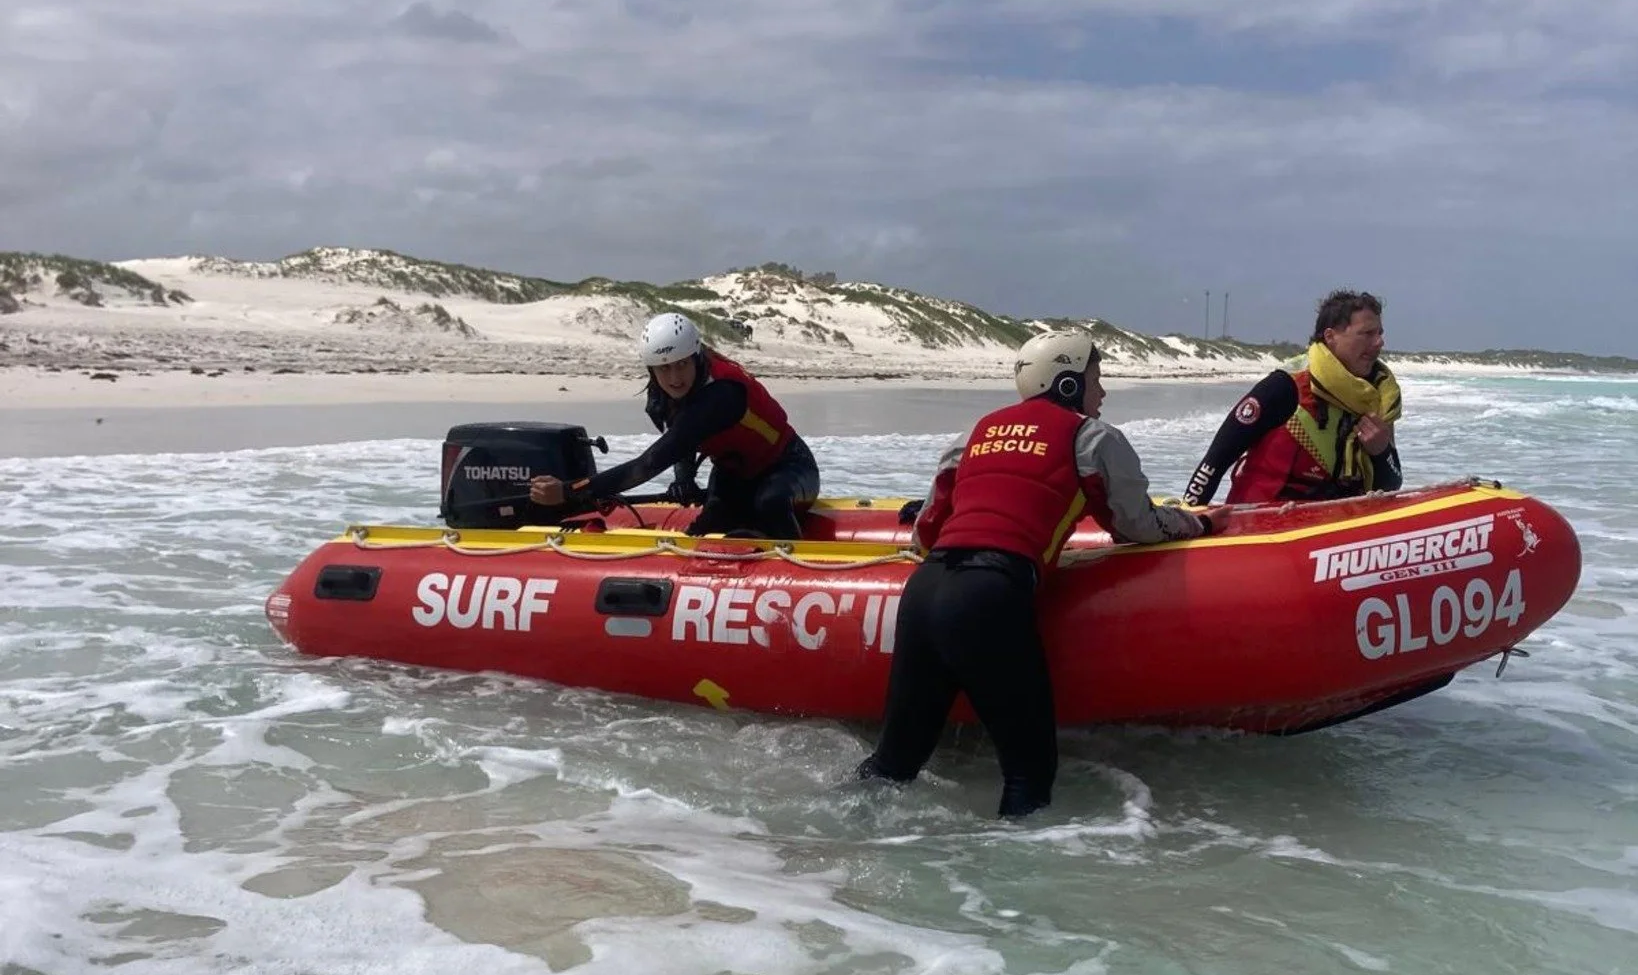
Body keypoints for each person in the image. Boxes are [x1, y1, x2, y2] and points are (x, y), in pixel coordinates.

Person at [858, 329, 1208, 819]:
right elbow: (1137, 526)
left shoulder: (974, 433)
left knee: (894, 764)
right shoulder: (1094, 438)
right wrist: (1191, 521)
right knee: (1029, 774)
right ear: (1067, 385)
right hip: (989, 596)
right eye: (1095, 379)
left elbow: (926, 534)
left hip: (923, 594)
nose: (1102, 392)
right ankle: (1008, 893)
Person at [528, 313, 820, 539]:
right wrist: (684, 479)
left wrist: (570, 491)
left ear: (696, 358)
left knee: (770, 503)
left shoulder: (720, 394)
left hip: (789, 466)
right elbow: (682, 439)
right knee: (707, 524)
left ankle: (803, 574)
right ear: (652, 369)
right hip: (735, 474)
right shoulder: (662, 392)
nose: (675, 377)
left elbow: (649, 463)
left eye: (682, 364)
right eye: (664, 368)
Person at [1184, 290, 1403, 507]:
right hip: (1258, 522)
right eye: (1367, 333)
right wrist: (1190, 518)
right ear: (1330, 336)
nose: (1379, 342)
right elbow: (1215, 461)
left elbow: (1391, 486)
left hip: (1331, 523)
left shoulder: (1378, 396)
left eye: (1380, 333)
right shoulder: (1285, 387)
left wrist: (1381, 452)